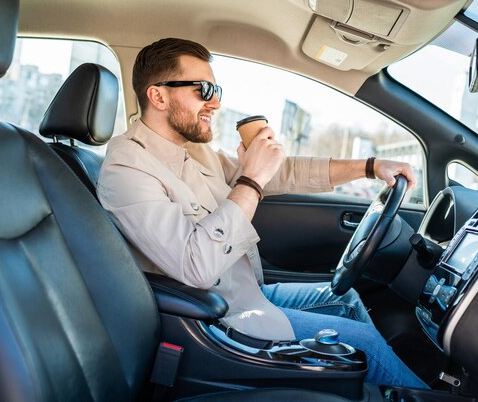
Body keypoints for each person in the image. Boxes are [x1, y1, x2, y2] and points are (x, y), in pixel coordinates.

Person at [97, 38, 426, 388]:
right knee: (366, 347)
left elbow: (282, 172)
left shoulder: (192, 151)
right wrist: (251, 178)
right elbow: (195, 267)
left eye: (216, 89)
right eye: (203, 89)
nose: (216, 102)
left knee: (342, 297)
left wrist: (370, 166)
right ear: (158, 96)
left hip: (247, 292)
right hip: (216, 318)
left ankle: (366, 390)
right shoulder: (126, 170)